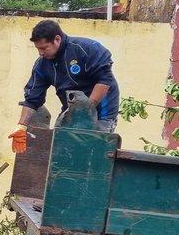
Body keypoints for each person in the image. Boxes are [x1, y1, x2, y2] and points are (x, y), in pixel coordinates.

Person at [10, 19, 119, 153]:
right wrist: (21, 127)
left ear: (57, 39)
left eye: (44, 48)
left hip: (101, 112)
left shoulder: (87, 49)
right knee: (61, 151)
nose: (41, 53)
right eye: (38, 48)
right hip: (71, 110)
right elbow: (32, 99)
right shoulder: (42, 65)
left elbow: (104, 80)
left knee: (90, 153)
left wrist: (85, 111)